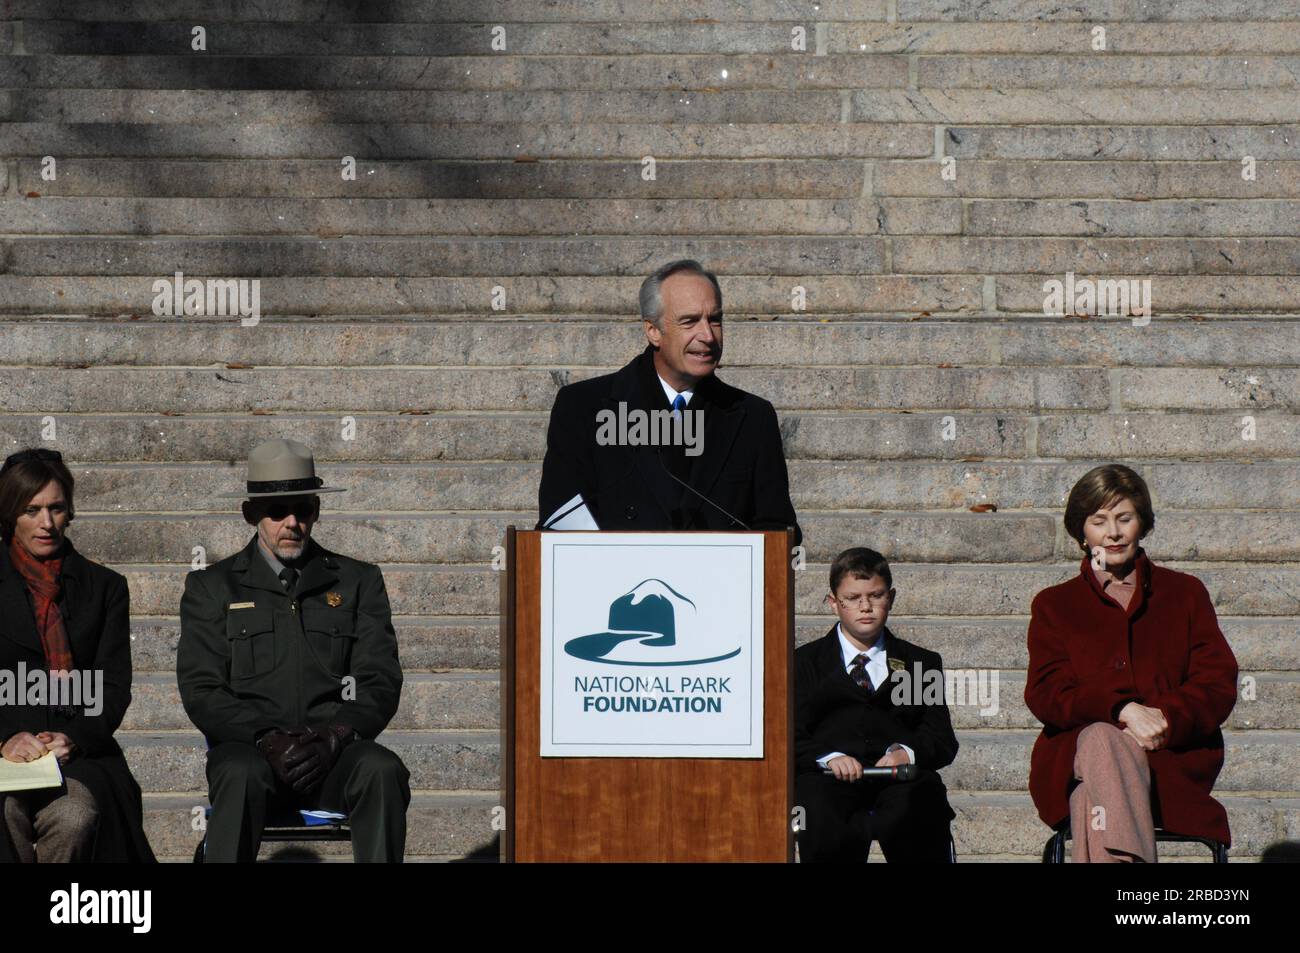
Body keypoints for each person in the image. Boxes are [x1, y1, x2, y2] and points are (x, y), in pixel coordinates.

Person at [177, 438, 409, 862]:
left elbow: (380, 678)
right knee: (237, 772)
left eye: (303, 509)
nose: (292, 523)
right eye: (276, 511)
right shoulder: (213, 587)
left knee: (382, 769)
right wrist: (265, 738)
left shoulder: (357, 581)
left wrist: (337, 735)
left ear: (316, 510)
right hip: (252, 754)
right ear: (251, 514)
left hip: (332, 756)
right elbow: (203, 688)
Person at [1025, 464, 1238, 862]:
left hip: (1169, 759)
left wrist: (1162, 717)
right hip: (1075, 755)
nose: (1114, 533)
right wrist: (1122, 710)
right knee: (1103, 739)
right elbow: (1046, 692)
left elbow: (1217, 682)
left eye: (1125, 518)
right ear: (1082, 532)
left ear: (1142, 522)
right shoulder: (1054, 605)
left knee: (1095, 793)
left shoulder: (1185, 593)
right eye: (1099, 521)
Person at [537, 258, 801, 545]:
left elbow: (777, 528)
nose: (708, 336)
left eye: (714, 319)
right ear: (653, 331)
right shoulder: (583, 408)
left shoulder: (753, 417)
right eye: (689, 321)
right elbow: (561, 521)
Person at [0, 448, 155, 863]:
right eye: (31, 510)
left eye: (56, 508)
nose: (46, 523)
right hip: (5, 753)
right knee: (4, 814)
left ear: (70, 512)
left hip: (80, 755)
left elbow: (113, 685)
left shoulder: (104, 587)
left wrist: (74, 738)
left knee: (77, 816)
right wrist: (7, 739)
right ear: (11, 513)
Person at [795, 547, 958, 862]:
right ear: (833, 602)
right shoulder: (804, 663)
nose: (865, 606)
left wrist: (906, 752)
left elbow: (941, 738)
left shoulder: (918, 663)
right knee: (816, 805)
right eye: (853, 598)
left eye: (876, 595)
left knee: (921, 800)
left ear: (891, 598)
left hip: (899, 780)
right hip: (829, 779)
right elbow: (790, 734)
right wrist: (827, 757)